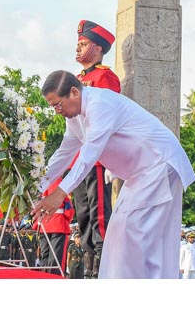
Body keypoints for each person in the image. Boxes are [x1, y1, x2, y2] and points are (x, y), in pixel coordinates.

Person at [31, 70, 195, 278]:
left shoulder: (100, 104)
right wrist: (33, 188)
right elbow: (62, 156)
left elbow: (89, 155)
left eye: (58, 104)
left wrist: (61, 192)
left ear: (74, 92)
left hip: (159, 163)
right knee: (118, 233)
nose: (56, 111)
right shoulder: (74, 120)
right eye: (52, 106)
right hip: (139, 175)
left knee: (138, 233)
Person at [72, 19, 120, 278]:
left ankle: (101, 266)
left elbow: (107, 116)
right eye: (77, 44)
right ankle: (88, 264)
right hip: (79, 156)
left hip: (97, 158)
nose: (78, 49)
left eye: (83, 44)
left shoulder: (105, 77)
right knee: (83, 214)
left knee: (98, 213)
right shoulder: (78, 79)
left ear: (98, 48)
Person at [35, 177, 75, 276]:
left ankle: (43, 276)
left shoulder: (44, 184)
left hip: (44, 223)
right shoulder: (62, 183)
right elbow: (68, 207)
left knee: (45, 256)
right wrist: (68, 218)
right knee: (56, 257)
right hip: (58, 224)